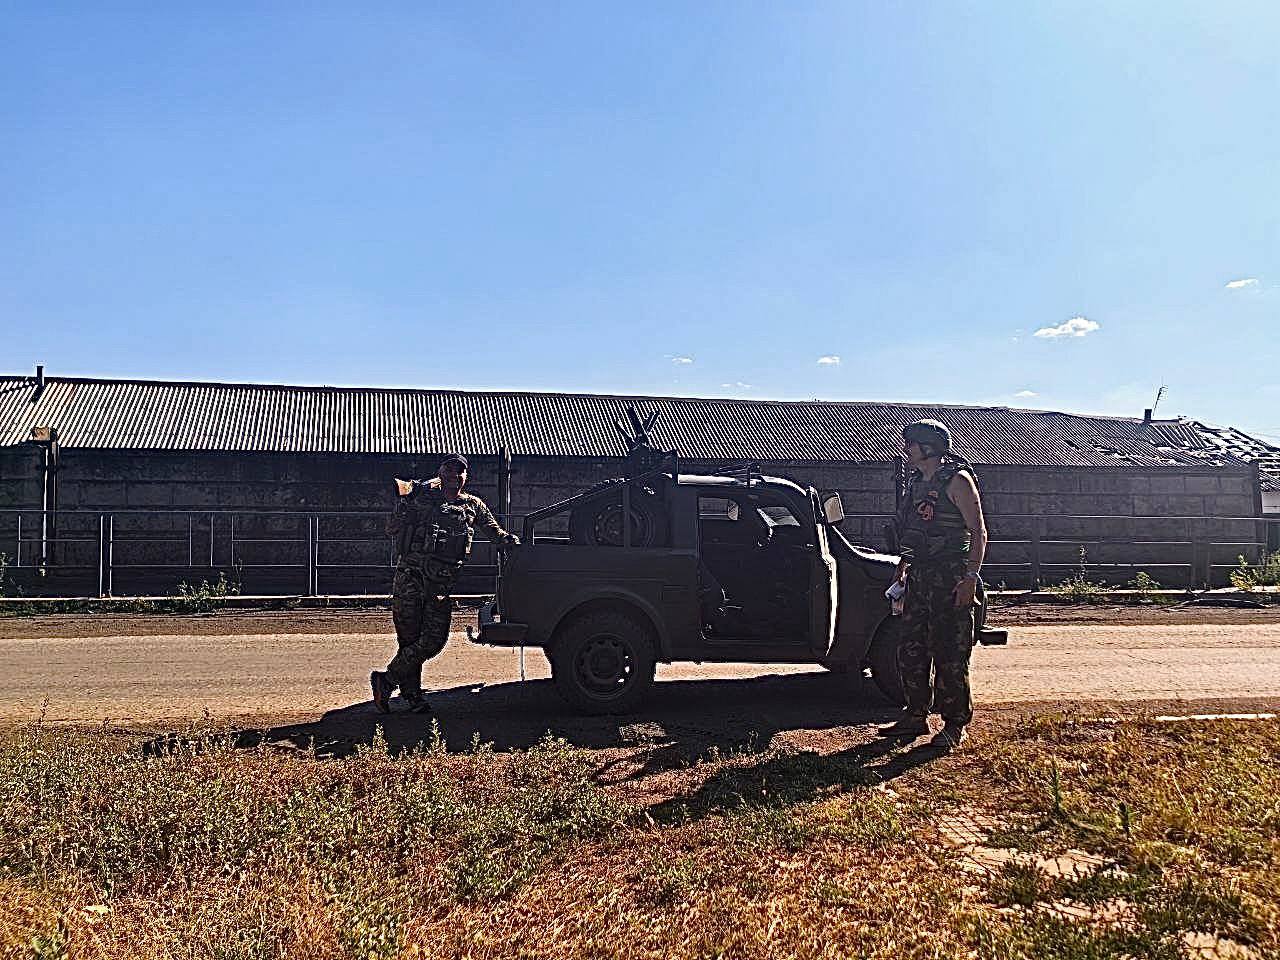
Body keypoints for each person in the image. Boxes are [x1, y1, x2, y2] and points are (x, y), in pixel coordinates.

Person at [370, 453, 518, 714]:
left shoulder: (472, 505)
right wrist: (406, 501)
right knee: (409, 640)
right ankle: (412, 696)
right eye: (448, 471)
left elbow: (494, 532)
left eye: (459, 472)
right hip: (410, 580)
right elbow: (391, 529)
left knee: (433, 640)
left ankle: (387, 679)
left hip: (440, 586)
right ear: (440, 473)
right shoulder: (421, 499)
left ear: (465, 477)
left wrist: (511, 541)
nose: (453, 476)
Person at [880, 419, 988, 749]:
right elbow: (914, 530)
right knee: (910, 649)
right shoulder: (915, 484)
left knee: (950, 652)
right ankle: (915, 714)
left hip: (951, 579)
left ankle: (955, 724)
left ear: (928, 447)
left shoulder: (957, 481)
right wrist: (903, 565)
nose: (906, 449)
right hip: (920, 578)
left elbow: (978, 532)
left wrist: (970, 578)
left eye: (910, 444)